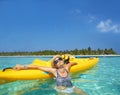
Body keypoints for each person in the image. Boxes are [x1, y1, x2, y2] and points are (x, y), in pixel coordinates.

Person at [14, 55, 88, 95]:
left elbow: (71, 63)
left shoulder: (66, 68)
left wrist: (79, 62)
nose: (58, 61)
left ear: (62, 60)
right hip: (62, 90)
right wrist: (21, 67)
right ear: (55, 65)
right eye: (56, 61)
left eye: (60, 59)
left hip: (72, 87)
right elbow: (37, 67)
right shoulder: (54, 71)